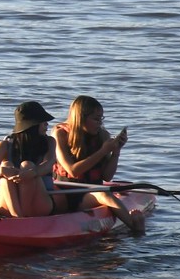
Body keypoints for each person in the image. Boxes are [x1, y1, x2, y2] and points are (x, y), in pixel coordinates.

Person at [54, 95, 141, 230]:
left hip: (91, 192)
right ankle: (136, 228)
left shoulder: (103, 136)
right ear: (81, 118)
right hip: (68, 192)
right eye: (96, 119)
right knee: (104, 194)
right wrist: (102, 151)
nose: (100, 123)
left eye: (101, 119)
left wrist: (116, 152)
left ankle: (134, 227)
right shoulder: (60, 134)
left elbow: (107, 176)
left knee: (103, 194)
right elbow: (72, 170)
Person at [0, 100, 62, 217]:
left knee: (27, 165)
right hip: (10, 205)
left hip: (39, 202)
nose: (47, 124)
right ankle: (18, 217)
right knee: (6, 167)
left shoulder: (49, 142)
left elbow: (48, 164)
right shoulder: (4, 145)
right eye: (43, 121)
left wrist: (33, 173)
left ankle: (20, 218)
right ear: (32, 125)